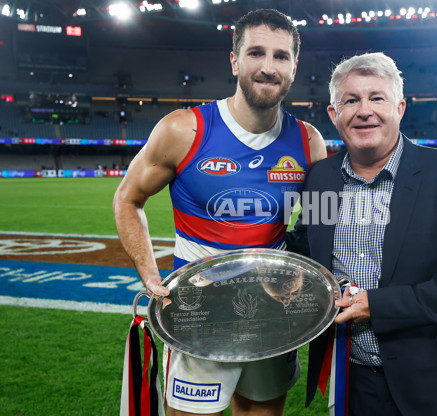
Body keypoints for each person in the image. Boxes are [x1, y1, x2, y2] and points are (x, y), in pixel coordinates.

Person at [113, 9, 327, 416]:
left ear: (294, 67)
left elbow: (318, 224)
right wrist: (148, 271)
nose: (268, 67)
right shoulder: (184, 130)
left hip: (271, 313)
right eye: (256, 53)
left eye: (281, 56)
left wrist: (308, 276)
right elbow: (127, 198)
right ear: (234, 60)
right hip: (198, 309)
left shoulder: (308, 142)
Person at [288, 52, 437, 415]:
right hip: (353, 383)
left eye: (377, 98)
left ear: (400, 107)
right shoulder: (321, 178)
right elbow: (306, 248)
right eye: (351, 100)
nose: (364, 110)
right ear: (333, 114)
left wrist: (378, 305)